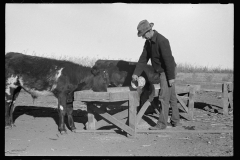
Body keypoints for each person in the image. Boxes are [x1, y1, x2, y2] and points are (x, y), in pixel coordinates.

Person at [132, 20, 181, 130]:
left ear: (149, 31)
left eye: (143, 35)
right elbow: (143, 59)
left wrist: (171, 77)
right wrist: (136, 73)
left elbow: (168, 61)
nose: (143, 38)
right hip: (161, 70)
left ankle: (162, 124)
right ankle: (176, 121)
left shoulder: (162, 41)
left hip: (168, 70)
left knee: (163, 97)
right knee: (172, 96)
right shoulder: (148, 43)